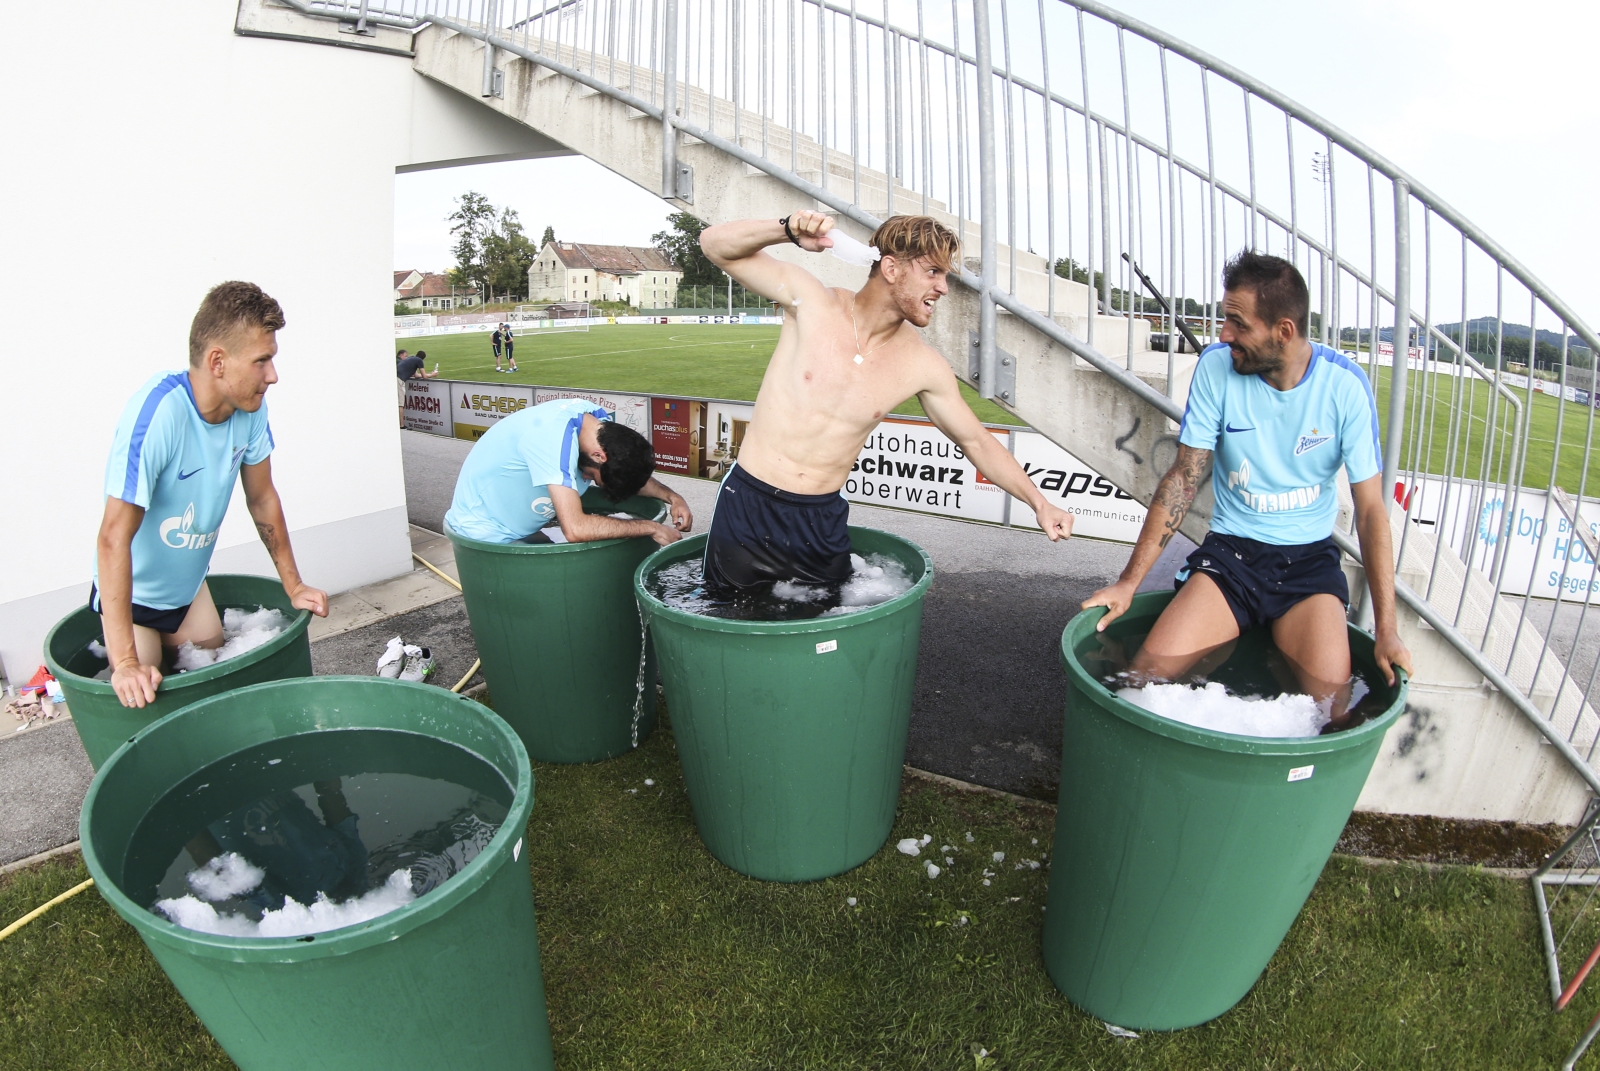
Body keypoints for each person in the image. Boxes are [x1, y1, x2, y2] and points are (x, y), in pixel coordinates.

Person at [1082, 250, 1413, 720]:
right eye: (1225, 320)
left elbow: (1372, 511)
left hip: (1308, 567)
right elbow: (1183, 478)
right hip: (1231, 557)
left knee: (1332, 711)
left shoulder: (1345, 386)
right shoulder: (1216, 367)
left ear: (1284, 331)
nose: (1224, 335)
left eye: (1238, 324)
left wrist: (1387, 629)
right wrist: (1128, 583)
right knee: (1141, 683)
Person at [696, 211, 1074, 593]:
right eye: (933, 272)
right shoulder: (812, 302)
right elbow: (713, 245)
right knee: (726, 615)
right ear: (891, 269)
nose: (943, 288)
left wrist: (1039, 503)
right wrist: (787, 229)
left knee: (824, 623)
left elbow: (975, 440)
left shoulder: (923, 365)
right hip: (749, 503)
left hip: (820, 521)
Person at [95, 281, 330, 710]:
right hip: (134, 599)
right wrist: (125, 662)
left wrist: (294, 585)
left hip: (187, 589)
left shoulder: (250, 409)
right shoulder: (159, 414)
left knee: (214, 669)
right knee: (146, 690)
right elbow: (113, 537)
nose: (272, 376)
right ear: (217, 361)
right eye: (262, 361)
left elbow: (262, 499)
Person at [443, 397, 692, 545]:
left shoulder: (597, 424)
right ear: (599, 455)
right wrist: (651, 527)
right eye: (593, 477)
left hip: (520, 529)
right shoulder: (552, 440)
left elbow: (625, 472)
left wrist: (673, 498)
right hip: (484, 534)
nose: (583, 478)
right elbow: (576, 529)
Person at [396, 347, 438, 428]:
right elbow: (424, 376)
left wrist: (429, 374)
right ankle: (402, 425)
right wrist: (432, 375)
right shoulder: (419, 361)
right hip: (399, 380)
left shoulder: (411, 358)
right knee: (401, 404)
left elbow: (416, 375)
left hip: (396, 378)